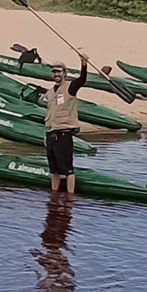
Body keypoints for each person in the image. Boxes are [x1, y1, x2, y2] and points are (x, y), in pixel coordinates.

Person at [45, 55, 88, 194]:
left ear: (64, 73)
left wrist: (84, 64)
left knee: (68, 168)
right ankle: (54, 193)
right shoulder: (50, 92)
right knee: (54, 169)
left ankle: (70, 197)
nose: (56, 74)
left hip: (64, 132)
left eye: (59, 71)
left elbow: (82, 80)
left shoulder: (70, 87)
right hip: (51, 132)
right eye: (54, 72)